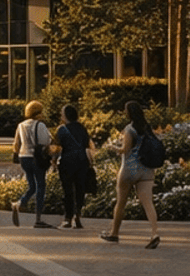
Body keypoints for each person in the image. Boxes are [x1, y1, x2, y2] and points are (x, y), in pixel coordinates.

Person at [103, 100, 162, 248]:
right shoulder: (147, 128)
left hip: (130, 169)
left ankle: (114, 233)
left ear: (128, 113)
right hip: (147, 169)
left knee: (121, 202)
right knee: (148, 203)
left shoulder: (129, 129)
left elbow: (125, 149)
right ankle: (155, 233)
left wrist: (112, 147)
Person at [10, 101, 57, 230]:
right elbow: (45, 142)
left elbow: (16, 144)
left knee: (32, 186)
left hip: (23, 157)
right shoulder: (40, 125)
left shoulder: (21, 125)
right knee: (41, 185)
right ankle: (38, 218)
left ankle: (20, 203)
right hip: (36, 158)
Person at [53, 104, 96, 231]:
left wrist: (54, 161)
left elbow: (57, 148)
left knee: (67, 190)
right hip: (82, 161)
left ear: (65, 115)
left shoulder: (62, 129)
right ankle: (78, 215)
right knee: (80, 189)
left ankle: (67, 218)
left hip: (67, 161)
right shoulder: (82, 128)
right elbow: (88, 144)